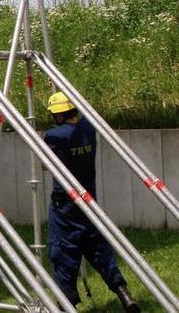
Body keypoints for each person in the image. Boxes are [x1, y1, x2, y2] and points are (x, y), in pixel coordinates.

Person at [44, 92, 140, 312]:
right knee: (99, 251)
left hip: (66, 209)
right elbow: (86, 114)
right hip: (89, 205)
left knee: (64, 255)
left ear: (58, 115)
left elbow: (46, 165)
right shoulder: (88, 129)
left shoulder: (55, 136)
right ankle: (123, 293)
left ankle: (66, 304)